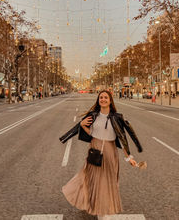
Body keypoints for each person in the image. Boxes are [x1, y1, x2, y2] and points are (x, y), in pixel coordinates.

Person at [60, 90, 143, 219]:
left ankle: (102, 211)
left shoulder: (117, 117)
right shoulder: (93, 116)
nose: (103, 99)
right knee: (91, 180)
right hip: (95, 150)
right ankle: (91, 203)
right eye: (101, 98)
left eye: (105, 97)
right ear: (98, 100)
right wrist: (82, 125)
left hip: (110, 153)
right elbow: (91, 133)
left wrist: (129, 158)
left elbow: (122, 139)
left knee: (106, 183)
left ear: (110, 100)